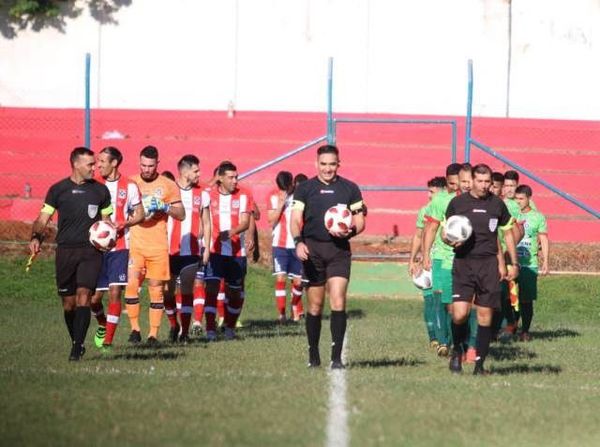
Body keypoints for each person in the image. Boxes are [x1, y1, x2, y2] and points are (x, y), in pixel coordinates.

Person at [29, 147, 113, 360]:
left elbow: (107, 221)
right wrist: (35, 237)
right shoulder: (58, 190)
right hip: (65, 250)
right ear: (76, 164)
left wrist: (110, 234)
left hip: (90, 251)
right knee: (69, 303)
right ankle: (76, 340)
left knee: (84, 295)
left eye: (95, 164)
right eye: (90, 164)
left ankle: (77, 347)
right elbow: (42, 218)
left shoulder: (101, 191)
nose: (95, 168)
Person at [291, 144, 366, 369]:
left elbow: (360, 221)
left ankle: (336, 358)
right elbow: (295, 219)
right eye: (323, 164)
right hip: (312, 251)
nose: (327, 168)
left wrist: (349, 231)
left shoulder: (350, 188)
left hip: (338, 251)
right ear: (316, 164)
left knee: (338, 300)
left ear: (338, 164)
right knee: (314, 306)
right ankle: (313, 354)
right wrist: (298, 242)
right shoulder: (304, 188)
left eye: (332, 164)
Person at [446, 164, 519, 375]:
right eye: (480, 181)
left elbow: (507, 235)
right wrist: (451, 242)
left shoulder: (497, 205)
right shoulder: (457, 203)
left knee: (485, 316)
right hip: (463, 263)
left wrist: (513, 263)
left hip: (488, 266)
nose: (484, 186)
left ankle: (479, 365)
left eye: (488, 182)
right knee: (459, 314)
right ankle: (457, 349)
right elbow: (445, 232)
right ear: (472, 180)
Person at [124, 146, 185, 344]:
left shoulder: (168, 185)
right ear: (139, 163)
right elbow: (122, 210)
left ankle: (152, 334)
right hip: (136, 244)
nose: (147, 169)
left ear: (158, 163)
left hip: (158, 246)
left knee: (156, 289)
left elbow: (181, 214)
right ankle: (134, 330)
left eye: (151, 165)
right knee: (132, 285)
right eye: (143, 165)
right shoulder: (131, 183)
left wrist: (164, 207)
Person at [91, 146, 144, 351]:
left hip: (120, 248)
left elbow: (140, 214)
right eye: (98, 161)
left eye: (103, 161)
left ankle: (108, 342)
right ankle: (102, 323)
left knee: (115, 293)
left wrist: (124, 224)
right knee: (94, 300)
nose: (98, 164)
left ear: (114, 163)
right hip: (96, 249)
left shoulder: (129, 186)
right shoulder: (94, 186)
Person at [202, 161, 252, 341]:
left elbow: (245, 222)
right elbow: (200, 189)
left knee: (234, 292)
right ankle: (210, 329)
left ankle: (229, 327)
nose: (235, 181)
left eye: (236, 177)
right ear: (220, 178)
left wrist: (230, 233)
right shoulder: (208, 195)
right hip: (214, 252)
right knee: (212, 289)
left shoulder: (244, 195)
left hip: (237, 253)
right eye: (230, 177)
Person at [164, 155, 211, 343]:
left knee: (186, 291)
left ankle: (184, 332)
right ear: (184, 171)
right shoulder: (168, 190)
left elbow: (207, 223)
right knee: (167, 292)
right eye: (196, 171)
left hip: (191, 251)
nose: (199, 174)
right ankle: (173, 324)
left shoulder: (202, 194)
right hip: (168, 250)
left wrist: (206, 248)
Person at [421, 163, 461, 357]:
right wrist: (426, 254)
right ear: (448, 182)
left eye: (460, 182)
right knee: (439, 300)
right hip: (441, 258)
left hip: (463, 259)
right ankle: (442, 342)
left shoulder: (470, 200)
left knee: (456, 305)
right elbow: (430, 228)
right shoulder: (440, 201)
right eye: (453, 182)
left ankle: (456, 341)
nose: (458, 186)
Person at [408, 176, 446, 348]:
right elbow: (418, 235)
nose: (428, 195)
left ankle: (447, 339)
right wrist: (413, 259)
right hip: (428, 260)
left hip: (446, 259)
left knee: (445, 302)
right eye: (428, 191)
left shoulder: (451, 206)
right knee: (430, 299)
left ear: (443, 191)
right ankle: (434, 338)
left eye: (432, 191)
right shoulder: (425, 211)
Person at [267, 171, 304, 323]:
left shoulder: (299, 197)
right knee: (281, 278)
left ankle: (295, 306)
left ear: (292, 185)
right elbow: (271, 221)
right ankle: (281, 315)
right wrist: (281, 205)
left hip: (296, 244)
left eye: (286, 188)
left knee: (298, 282)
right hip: (280, 245)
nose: (284, 191)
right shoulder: (273, 197)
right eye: (281, 188)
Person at [514, 184, 549, 341]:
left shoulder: (538, 217)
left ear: (529, 199)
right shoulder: (511, 214)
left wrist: (545, 261)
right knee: (509, 297)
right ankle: (510, 326)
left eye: (521, 199)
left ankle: (525, 330)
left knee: (526, 299)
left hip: (529, 264)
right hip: (512, 262)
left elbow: (543, 239)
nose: (518, 202)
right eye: (516, 198)